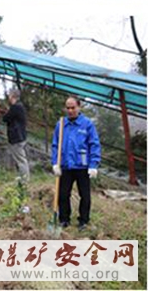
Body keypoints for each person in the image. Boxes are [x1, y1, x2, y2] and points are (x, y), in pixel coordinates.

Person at [52, 97, 101, 230]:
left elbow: (94, 144)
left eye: (73, 107)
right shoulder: (61, 124)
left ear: (79, 107)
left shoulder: (87, 124)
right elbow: (55, 145)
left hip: (82, 167)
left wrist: (93, 165)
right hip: (66, 166)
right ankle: (64, 219)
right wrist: (55, 163)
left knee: (84, 196)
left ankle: (83, 221)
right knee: (63, 194)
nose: (70, 110)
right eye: (67, 108)